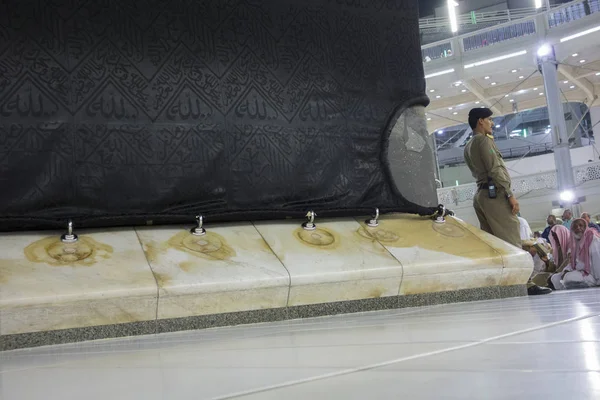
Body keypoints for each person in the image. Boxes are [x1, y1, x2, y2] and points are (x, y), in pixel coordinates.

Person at [463, 108, 551, 295]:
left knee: (494, 245)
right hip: (495, 196)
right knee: (511, 242)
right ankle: (525, 284)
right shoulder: (484, 141)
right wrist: (510, 194)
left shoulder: (468, 145)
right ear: (480, 121)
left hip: (481, 196)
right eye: (489, 120)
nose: (492, 123)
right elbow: (495, 169)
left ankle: (501, 284)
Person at [550, 219, 600, 290]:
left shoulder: (593, 239)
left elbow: (597, 261)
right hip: (579, 272)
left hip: (592, 275)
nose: (578, 228)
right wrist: (566, 270)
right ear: (572, 230)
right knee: (554, 278)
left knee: (569, 277)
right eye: (575, 227)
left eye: (581, 225)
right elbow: (573, 263)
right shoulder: (575, 243)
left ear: (585, 227)